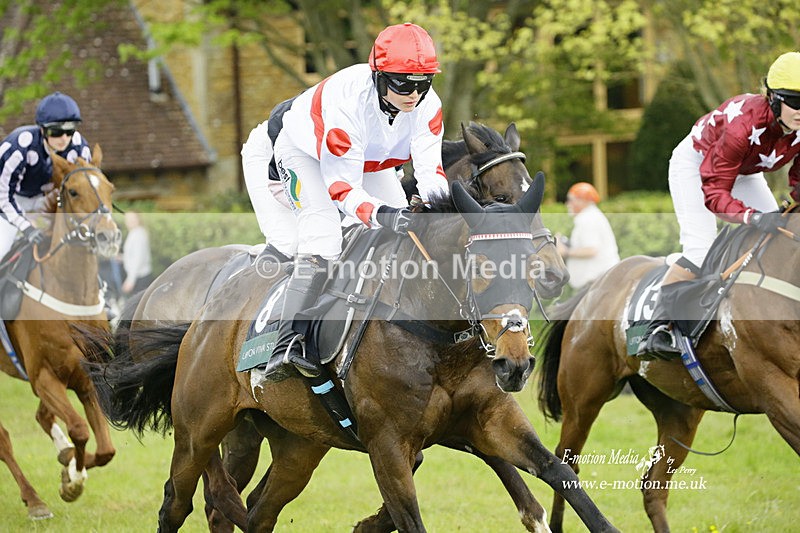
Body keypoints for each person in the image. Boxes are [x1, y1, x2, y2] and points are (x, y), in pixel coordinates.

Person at [244, 22, 448, 380]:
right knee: (322, 237)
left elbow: (432, 175)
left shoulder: (429, 106)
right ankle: (284, 344)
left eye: (423, 82)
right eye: (403, 83)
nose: (414, 94)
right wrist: (386, 215)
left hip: (367, 160)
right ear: (379, 75)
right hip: (301, 153)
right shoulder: (348, 103)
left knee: (406, 233)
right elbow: (341, 190)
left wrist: (437, 215)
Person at [637, 51, 800, 359]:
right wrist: (752, 217)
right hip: (698, 166)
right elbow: (714, 193)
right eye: (796, 101)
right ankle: (655, 326)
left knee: (781, 236)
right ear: (774, 98)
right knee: (700, 248)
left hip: (745, 171)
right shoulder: (743, 126)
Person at [0, 92, 92, 262]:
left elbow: (77, 193)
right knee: (2, 248)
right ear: (42, 129)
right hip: (9, 203)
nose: (64, 138)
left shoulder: (80, 149)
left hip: (46, 201)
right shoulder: (18, 147)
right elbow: (3, 196)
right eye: (56, 131)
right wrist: (26, 228)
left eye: (69, 130)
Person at [556, 182, 619, 290]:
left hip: (599, 284)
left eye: (571, 199)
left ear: (583, 201)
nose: (567, 203)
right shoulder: (589, 217)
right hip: (599, 283)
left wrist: (565, 251)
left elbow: (591, 250)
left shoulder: (588, 219)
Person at [120, 211, 153, 296]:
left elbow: (138, 259)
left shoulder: (139, 235)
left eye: (132, 219)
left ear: (138, 219)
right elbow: (132, 255)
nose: (129, 221)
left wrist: (130, 280)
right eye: (127, 219)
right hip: (137, 277)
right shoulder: (134, 233)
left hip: (139, 278)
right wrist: (121, 257)